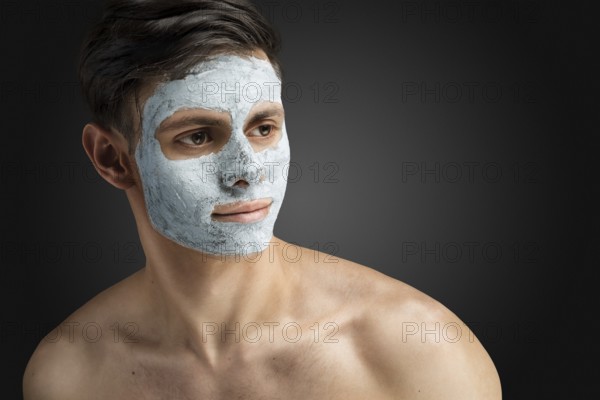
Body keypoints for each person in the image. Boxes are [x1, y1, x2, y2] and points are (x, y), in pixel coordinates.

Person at [23, 0, 501, 398]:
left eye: (264, 128)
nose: (246, 173)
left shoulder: (418, 352)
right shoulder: (68, 375)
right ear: (113, 159)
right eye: (197, 137)